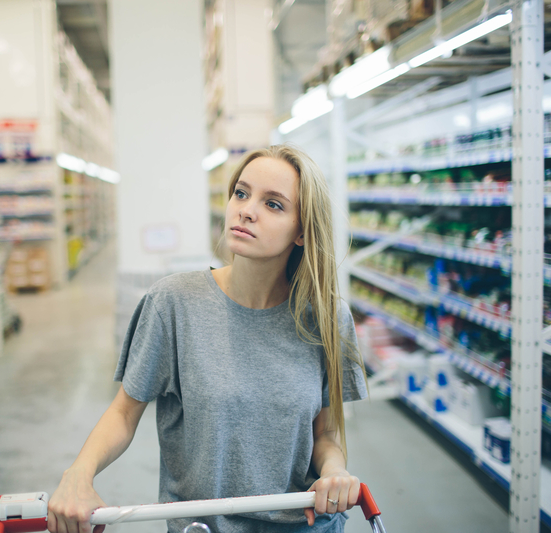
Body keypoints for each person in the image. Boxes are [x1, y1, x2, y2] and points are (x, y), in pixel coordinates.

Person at [47, 144, 368, 533]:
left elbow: (327, 434)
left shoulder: (328, 319)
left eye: (274, 205)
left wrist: (334, 471)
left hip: (304, 525)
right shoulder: (174, 303)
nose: (246, 210)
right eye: (242, 193)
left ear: (301, 232)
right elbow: (123, 413)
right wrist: (79, 474)